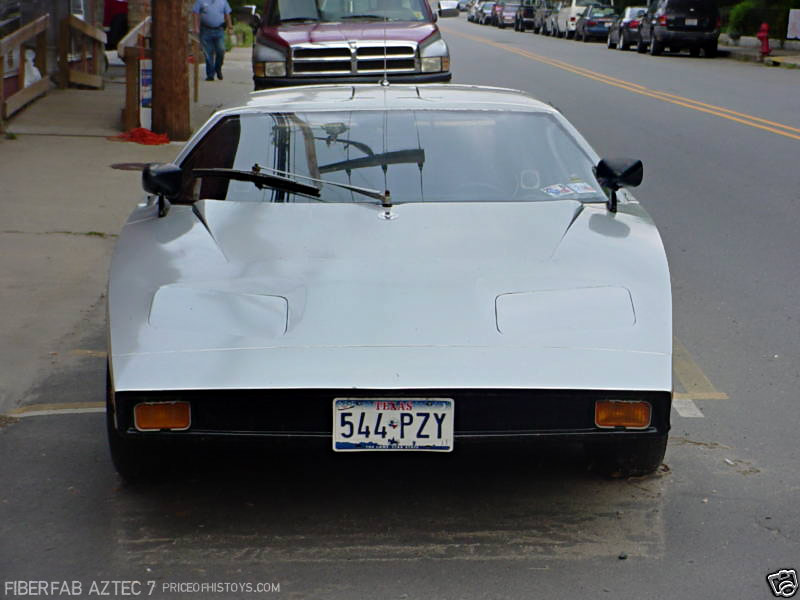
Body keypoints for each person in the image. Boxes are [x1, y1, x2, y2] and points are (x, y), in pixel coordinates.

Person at [193, 0, 233, 81]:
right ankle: (210, 74)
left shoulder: (223, 1)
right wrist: (196, 27)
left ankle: (218, 68)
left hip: (219, 30)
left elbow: (227, 14)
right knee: (208, 53)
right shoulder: (200, 1)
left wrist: (230, 27)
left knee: (221, 50)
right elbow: (195, 13)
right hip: (205, 30)